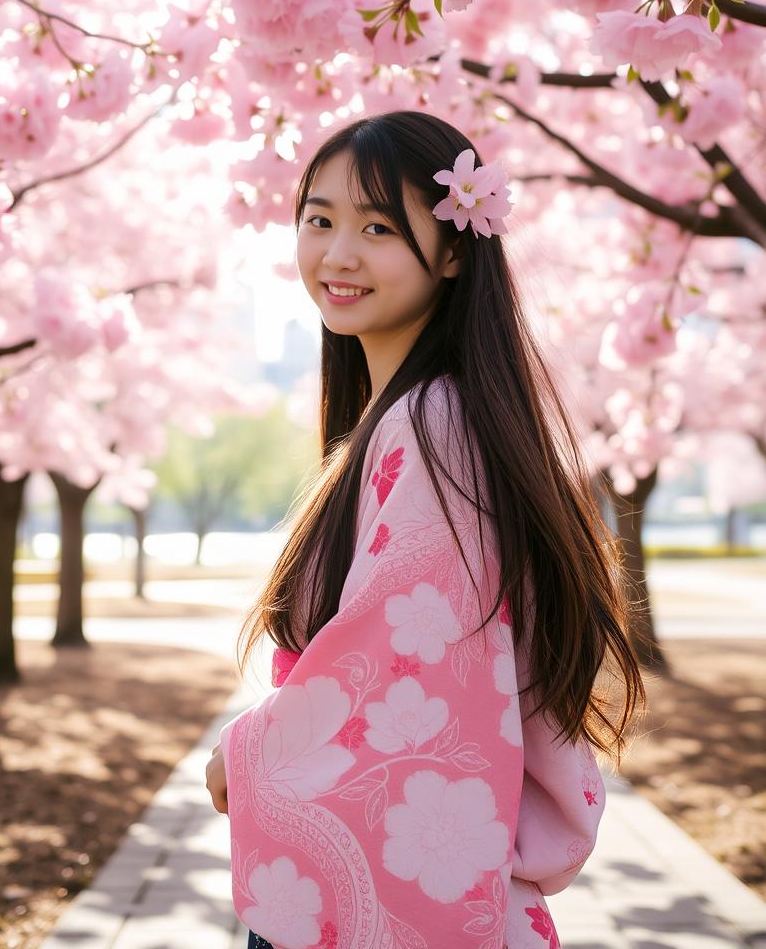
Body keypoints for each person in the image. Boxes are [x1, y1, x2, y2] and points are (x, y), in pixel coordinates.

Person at [205, 110, 644, 949]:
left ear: (451, 252)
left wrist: (252, 750)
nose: (338, 254)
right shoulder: (415, 415)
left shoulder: (433, 423)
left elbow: (406, 663)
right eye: (320, 219)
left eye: (378, 227)